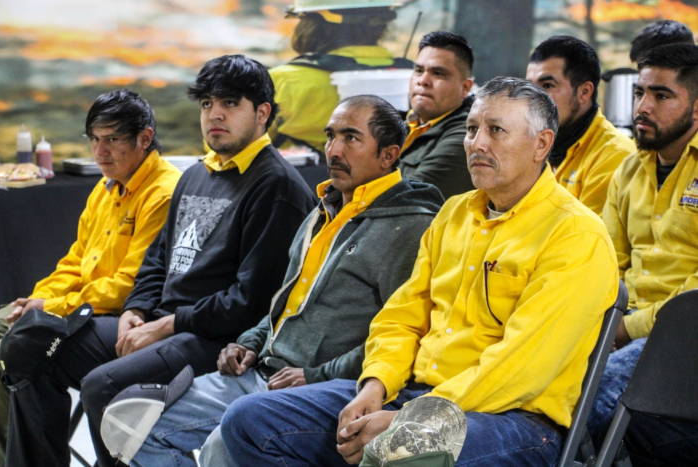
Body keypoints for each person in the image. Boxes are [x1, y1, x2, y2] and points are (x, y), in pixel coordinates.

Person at [218, 77, 620, 467]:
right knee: (249, 420)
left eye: (496, 130)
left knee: (398, 450)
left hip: (513, 419)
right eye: (471, 129)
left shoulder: (575, 234)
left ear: (542, 144)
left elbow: (521, 369)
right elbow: (402, 317)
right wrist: (374, 385)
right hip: (412, 393)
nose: (477, 144)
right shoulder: (454, 213)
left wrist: (409, 419)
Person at [5, 55, 316, 467]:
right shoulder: (197, 174)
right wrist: (135, 310)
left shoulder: (276, 185)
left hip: (213, 339)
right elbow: (156, 261)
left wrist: (167, 325)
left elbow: (251, 303)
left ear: (262, 114)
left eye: (229, 103)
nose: (215, 115)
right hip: (162, 322)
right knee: (30, 346)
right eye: (207, 104)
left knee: (103, 388)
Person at [121, 95, 444, 467]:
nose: (334, 150)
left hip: (327, 387)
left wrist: (315, 375)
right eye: (330, 136)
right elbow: (287, 304)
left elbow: (405, 335)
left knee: (221, 445)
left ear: (388, 155)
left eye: (351, 138)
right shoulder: (323, 211)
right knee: (132, 425)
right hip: (263, 370)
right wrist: (249, 341)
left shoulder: (411, 227)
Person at [0, 89, 182, 466]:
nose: (100, 152)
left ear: (145, 138)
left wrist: (52, 307)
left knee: (24, 347)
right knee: (9, 330)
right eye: (95, 140)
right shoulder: (105, 186)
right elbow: (75, 261)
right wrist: (37, 301)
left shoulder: (162, 192)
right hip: (88, 308)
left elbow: (130, 286)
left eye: (112, 139)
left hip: (132, 316)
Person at [588, 43, 698, 465]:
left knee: (590, 396)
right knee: (539, 375)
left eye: (661, 95)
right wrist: (603, 322)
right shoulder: (630, 168)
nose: (643, 107)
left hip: (683, 334)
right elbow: (605, 261)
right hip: (619, 325)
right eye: (639, 92)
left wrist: (626, 328)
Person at [270, 0, 412, 152]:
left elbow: (253, 148)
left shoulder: (281, 81)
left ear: (313, 25)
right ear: (382, 22)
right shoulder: (417, 78)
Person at [527, 35, 635, 215]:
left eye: (547, 85)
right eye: (529, 87)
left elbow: (585, 232)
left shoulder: (615, 156)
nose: (532, 98)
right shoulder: (530, 144)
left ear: (584, 92)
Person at [398, 31, 476, 199]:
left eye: (438, 73)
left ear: (465, 88)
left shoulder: (468, 136)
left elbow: (408, 195)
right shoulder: (396, 121)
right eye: (419, 70)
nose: (423, 81)